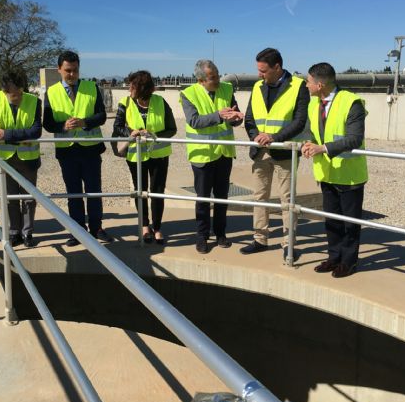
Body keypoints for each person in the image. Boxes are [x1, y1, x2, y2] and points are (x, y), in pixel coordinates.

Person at [241, 48, 309, 261]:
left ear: (277, 67)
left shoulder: (298, 86)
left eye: (263, 70)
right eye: (258, 70)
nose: (260, 74)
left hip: (285, 152)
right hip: (261, 151)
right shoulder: (257, 86)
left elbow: (299, 122)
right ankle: (260, 240)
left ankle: (289, 245)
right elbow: (250, 119)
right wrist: (256, 136)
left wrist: (274, 137)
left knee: (287, 200)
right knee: (259, 196)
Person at [301, 62, 368, 278]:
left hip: (349, 175)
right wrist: (309, 144)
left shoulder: (351, 103)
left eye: (308, 81)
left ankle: (349, 262)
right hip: (327, 173)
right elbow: (313, 132)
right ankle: (334, 257)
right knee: (331, 220)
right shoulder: (314, 103)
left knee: (350, 223)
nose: (306, 85)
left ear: (320, 84)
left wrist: (323, 148)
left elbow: (355, 138)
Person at [43, 50, 113, 245]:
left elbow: (101, 116)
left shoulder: (92, 87)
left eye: (75, 70)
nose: (72, 74)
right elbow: (47, 123)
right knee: (73, 193)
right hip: (66, 150)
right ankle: (77, 230)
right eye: (68, 70)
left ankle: (96, 227)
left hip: (90, 149)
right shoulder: (51, 92)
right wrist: (63, 126)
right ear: (59, 69)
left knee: (93, 191)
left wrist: (84, 122)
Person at [180, 59, 243, 254]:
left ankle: (221, 233)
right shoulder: (188, 94)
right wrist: (219, 115)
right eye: (212, 77)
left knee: (222, 197)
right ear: (200, 80)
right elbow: (194, 121)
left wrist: (235, 119)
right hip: (202, 155)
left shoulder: (227, 88)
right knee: (203, 198)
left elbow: (234, 116)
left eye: (217, 75)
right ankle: (202, 236)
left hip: (224, 152)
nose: (217, 79)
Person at [112, 70, 177, 244]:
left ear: (142, 88)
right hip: (135, 155)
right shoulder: (125, 102)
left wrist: (153, 134)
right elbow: (117, 126)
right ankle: (144, 226)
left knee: (157, 192)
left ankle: (157, 228)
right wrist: (130, 132)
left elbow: (172, 129)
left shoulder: (160, 102)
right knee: (140, 192)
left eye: (132, 86)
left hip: (159, 155)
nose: (129, 89)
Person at [0, 70, 42, 248]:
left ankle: (28, 232)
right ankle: (14, 231)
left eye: (19, 93)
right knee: (10, 198)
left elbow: (36, 131)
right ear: (4, 91)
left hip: (28, 158)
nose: (16, 98)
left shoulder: (34, 101)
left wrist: (7, 134)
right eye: (12, 94)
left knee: (29, 198)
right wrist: (15, 135)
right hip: (4, 159)